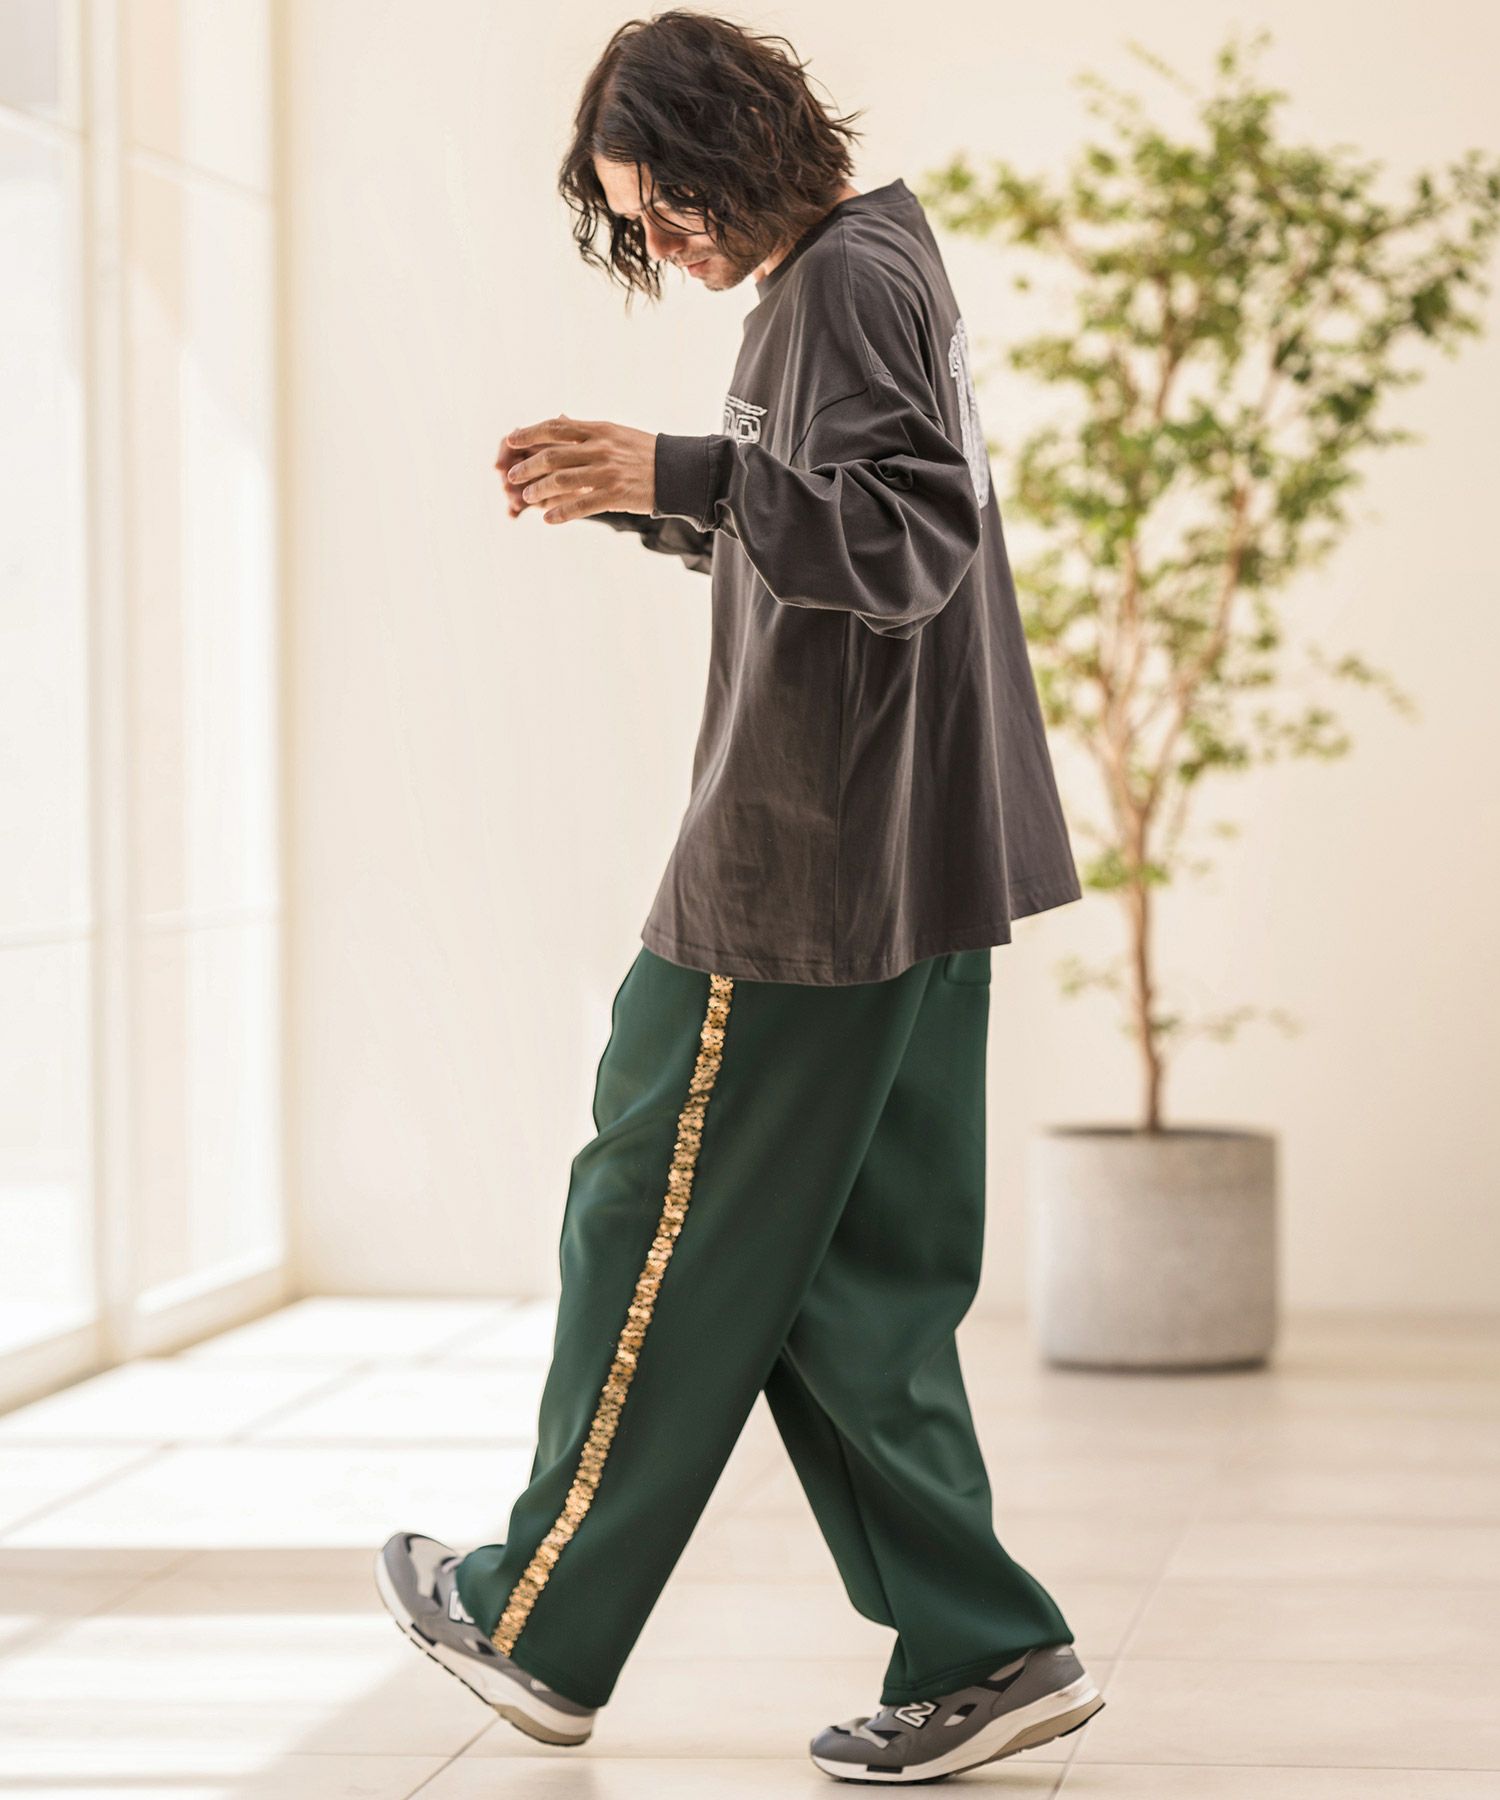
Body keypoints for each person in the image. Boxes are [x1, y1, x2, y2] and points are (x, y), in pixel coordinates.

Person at [375, 9, 1104, 1784]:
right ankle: (987, 1647)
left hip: (806, 869)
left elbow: (907, 536)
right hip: (907, 863)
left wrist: (685, 470)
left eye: (672, 200)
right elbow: (842, 533)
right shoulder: (863, 266)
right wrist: (656, 500)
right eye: (635, 219)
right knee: (846, 1283)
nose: (664, 239)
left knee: (646, 1213)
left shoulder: (842, 282)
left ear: (745, 142)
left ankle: (537, 1621)